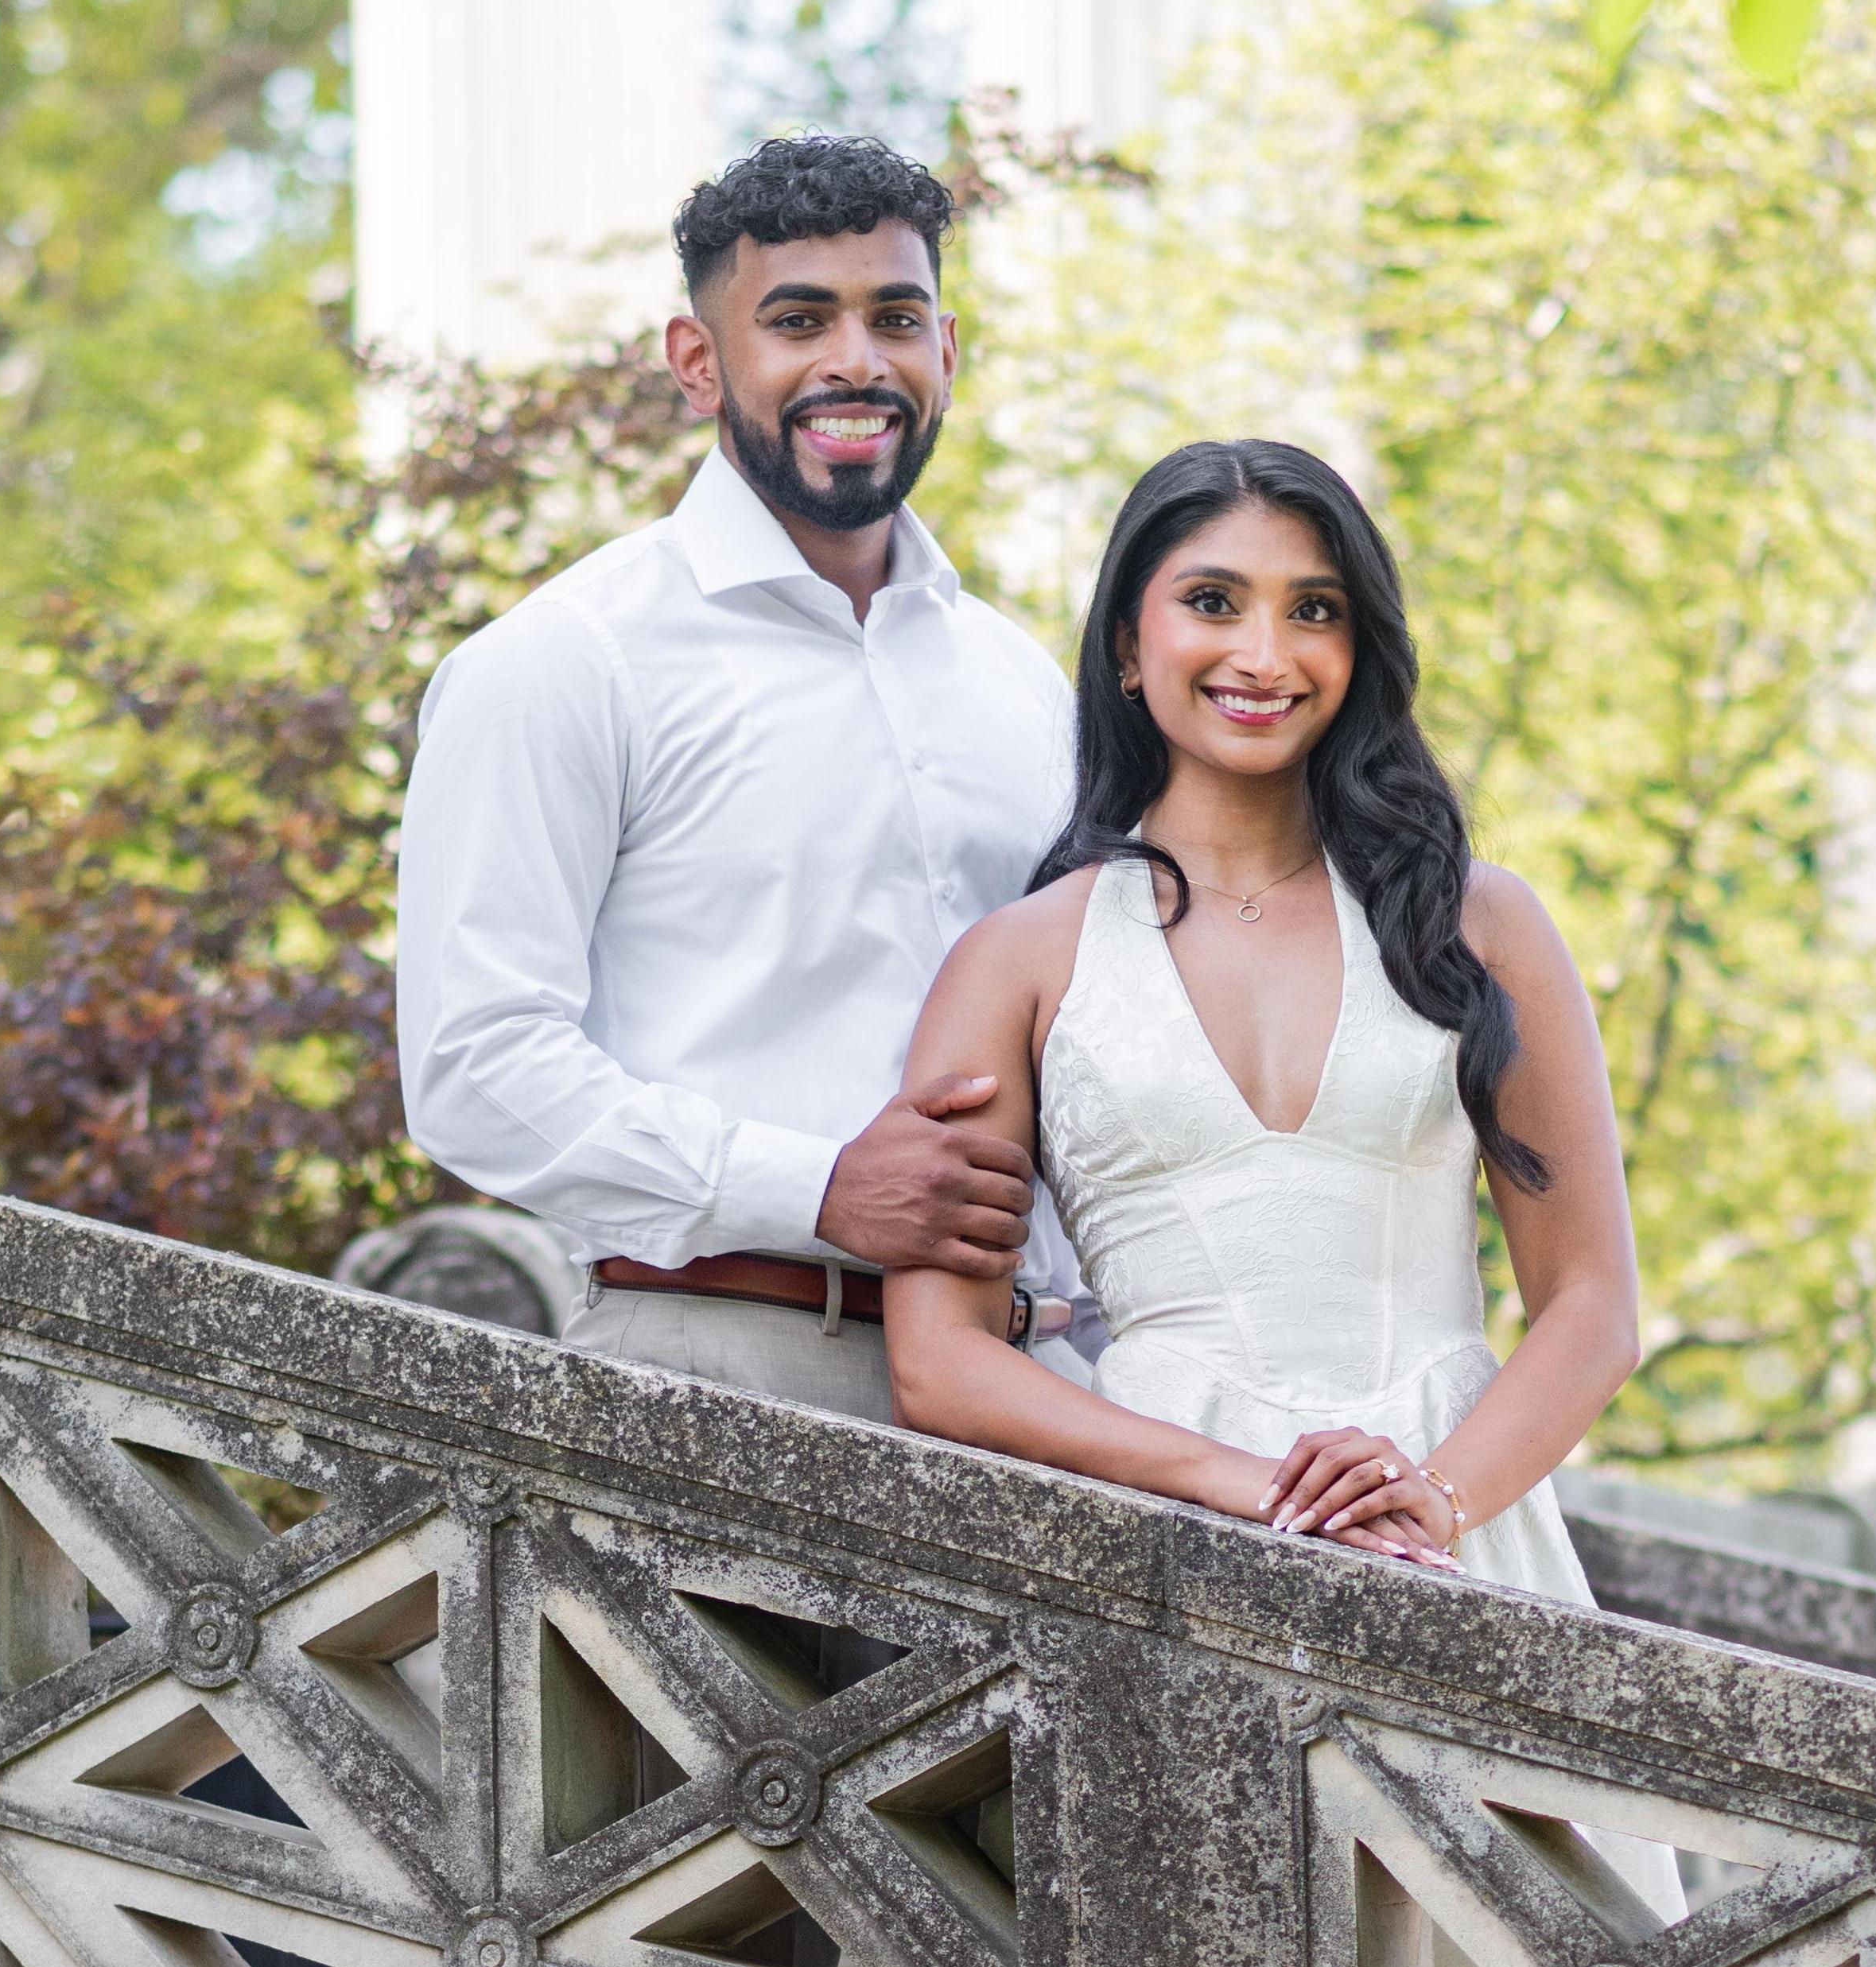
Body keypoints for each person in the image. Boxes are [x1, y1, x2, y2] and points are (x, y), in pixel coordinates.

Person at [883, 436, 1652, 1617]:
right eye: (1212, 602)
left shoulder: (1476, 924)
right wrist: (1243, 1485)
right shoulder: (1017, 961)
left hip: (1452, 1527)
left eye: (1313, 610)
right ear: (1128, 647)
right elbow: (939, 1361)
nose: (1265, 654)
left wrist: (1435, 1499)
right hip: (1157, 1524)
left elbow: (1592, 1303)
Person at [394, 134, 1089, 1422]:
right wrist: (817, 1188)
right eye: (797, 320)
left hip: (1035, 1385)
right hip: (723, 1364)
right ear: (698, 361)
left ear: (947, 350)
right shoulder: (564, 661)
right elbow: (473, 1064)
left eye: (895, 318)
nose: (855, 361)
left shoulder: (1026, 686)